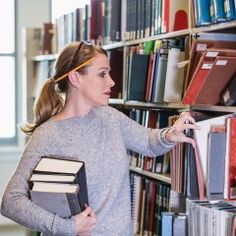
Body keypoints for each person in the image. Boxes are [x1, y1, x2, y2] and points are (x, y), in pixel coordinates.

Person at [1, 40, 199, 236]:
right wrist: (67, 227)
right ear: (76, 78)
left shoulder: (110, 117)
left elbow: (148, 141)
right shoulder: (48, 135)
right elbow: (11, 201)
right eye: (102, 74)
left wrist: (170, 134)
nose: (111, 82)